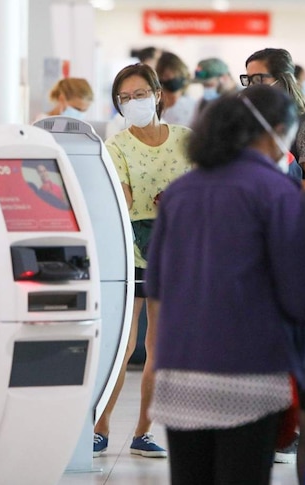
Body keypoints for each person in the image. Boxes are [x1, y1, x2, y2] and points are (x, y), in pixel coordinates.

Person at [145, 84, 305, 485]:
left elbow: (157, 284)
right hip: (248, 369)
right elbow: (297, 294)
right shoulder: (277, 191)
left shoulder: (179, 193)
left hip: (181, 366)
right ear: (273, 130)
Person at [93, 63, 193, 459]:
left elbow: (203, 189)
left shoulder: (186, 139)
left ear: (157, 93)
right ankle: (99, 427)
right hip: (133, 248)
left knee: (160, 345)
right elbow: (123, 201)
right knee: (123, 342)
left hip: (177, 250)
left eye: (139, 94)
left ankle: (143, 431)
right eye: (124, 98)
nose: (133, 103)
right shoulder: (117, 145)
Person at [243, 48, 305, 187]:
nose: (250, 87)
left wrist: (275, 183)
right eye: (248, 80)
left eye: (257, 79)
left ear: (282, 81)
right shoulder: (252, 121)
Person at [155, 51, 197, 127]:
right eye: (166, 76)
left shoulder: (193, 105)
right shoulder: (154, 106)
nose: (172, 78)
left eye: (177, 75)